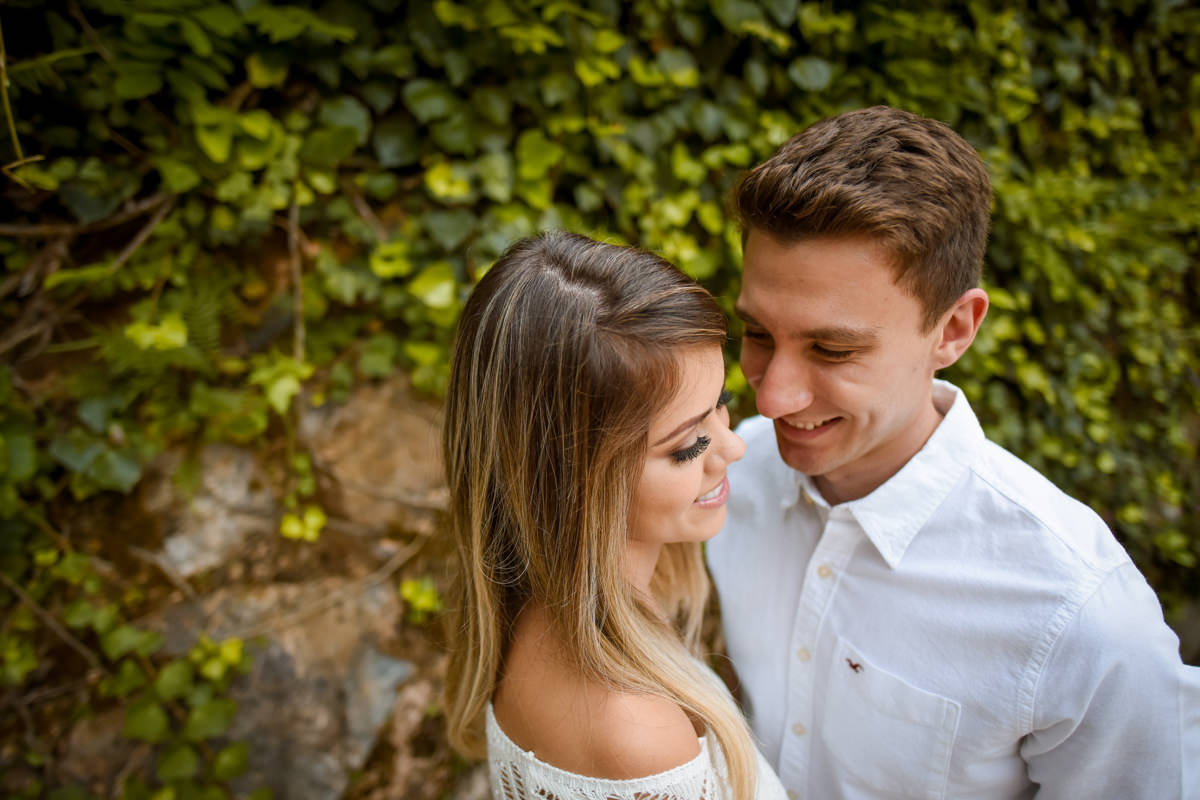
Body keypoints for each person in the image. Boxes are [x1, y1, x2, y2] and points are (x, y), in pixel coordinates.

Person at [706, 105, 1199, 799]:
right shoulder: (721, 478)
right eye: (756, 333)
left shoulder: (1080, 614)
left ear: (955, 330)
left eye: (833, 348)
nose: (774, 396)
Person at [442, 231, 789, 800]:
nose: (733, 449)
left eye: (721, 406)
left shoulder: (538, 615)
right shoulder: (636, 735)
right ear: (569, 482)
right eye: (688, 446)